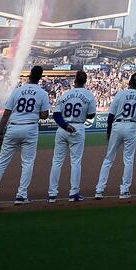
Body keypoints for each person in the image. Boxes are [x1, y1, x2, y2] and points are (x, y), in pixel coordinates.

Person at [0, 65, 56, 206]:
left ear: (29, 76)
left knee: (1, 163)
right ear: (40, 77)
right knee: (28, 163)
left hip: (13, 127)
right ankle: (21, 195)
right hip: (30, 128)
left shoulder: (17, 91)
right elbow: (44, 115)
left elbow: (6, 113)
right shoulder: (42, 93)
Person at [96, 72, 136, 199]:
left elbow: (111, 115)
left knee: (108, 159)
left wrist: (108, 132)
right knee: (129, 160)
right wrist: (135, 114)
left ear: (129, 82)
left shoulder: (120, 93)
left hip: (117, 125)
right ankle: (124, 190)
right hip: (131, 126)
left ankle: (99, 190)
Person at [47, 70, 98, 202]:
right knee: (75, 161)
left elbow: (56, 114)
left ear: (74, 81)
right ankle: (73, 193)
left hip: (63, 128)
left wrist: (64, 125)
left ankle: (52, 194)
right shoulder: (89, 95)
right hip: (78, 127)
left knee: (57, 161)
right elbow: (92, 115)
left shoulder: (65, 95)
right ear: (85, 81)